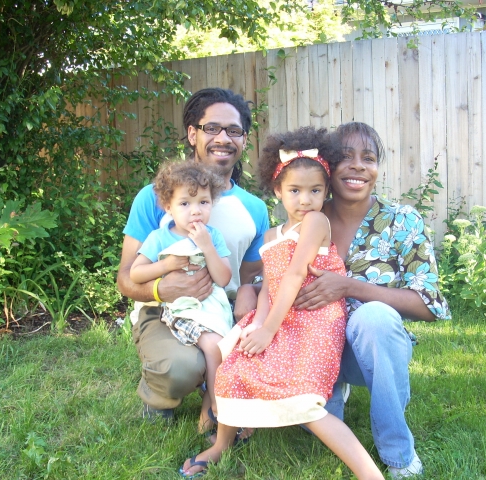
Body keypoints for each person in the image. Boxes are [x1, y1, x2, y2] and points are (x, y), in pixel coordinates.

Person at [178, 127, 385, 480]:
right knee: (232, 369)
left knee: (304, 398)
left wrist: (269, 328)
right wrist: (259, 323)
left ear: (326, 192)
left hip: (313, 320)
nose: (305, 200)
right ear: (277, 191)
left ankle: (369, 473)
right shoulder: (273, 235)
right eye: (295, 191)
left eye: (315, 190)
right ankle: (222, 443)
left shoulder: (317, 222)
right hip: (276, 315)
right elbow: (269, 284)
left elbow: (293, 276)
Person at [290, 122, 452, 478]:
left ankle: (398, 453)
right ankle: (330, 388)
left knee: (373, 317)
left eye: (369, 158)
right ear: (327, 168)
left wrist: (349, 287)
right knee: (316, 428)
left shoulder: (402, 221)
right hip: (316, 344)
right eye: (345, 157)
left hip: (377, 345)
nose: (358, 165)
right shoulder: (306, 218)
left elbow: (429, 304)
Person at [116, 88, 269, 432]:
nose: (223, 138)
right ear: (192, 134)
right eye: (212, 128)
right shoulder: (156, 198)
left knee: (243, 351)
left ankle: (216, 402)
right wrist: (162, 287)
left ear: (244, 140)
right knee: (182, 367)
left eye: (234, 131)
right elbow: (125, 278)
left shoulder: (255, 210)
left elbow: (250, 278)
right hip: (163, 310)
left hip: (220, 309)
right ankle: (160, 394)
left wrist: (249, 294)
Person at [129, 161, 233, 420]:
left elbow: (223, 278)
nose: (195, 211)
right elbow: (135, 273)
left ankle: (210, 409)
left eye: (203, 203)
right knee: (213, 346)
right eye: (185, 204)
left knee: (223, 348)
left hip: (211, 305)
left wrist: (207, 246)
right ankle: (219, 404)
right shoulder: (160, 237)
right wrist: (166, 264)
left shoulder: (213, 236)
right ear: (168, 207)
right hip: (177, 309)